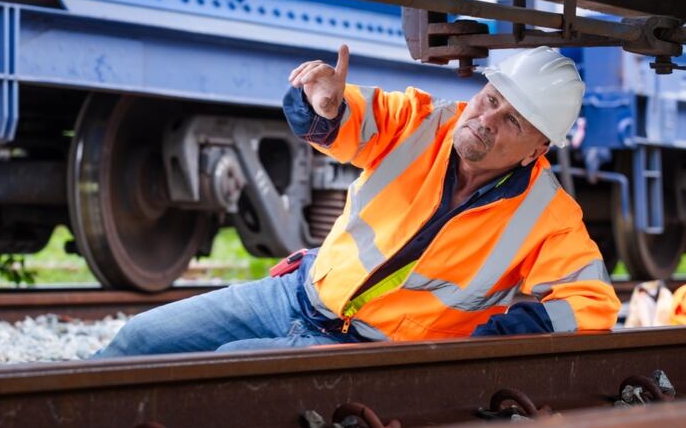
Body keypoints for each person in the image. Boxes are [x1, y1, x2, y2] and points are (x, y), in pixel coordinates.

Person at [95, 45, 620, 357]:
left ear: (540, 147)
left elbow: (592, 305)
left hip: (361, 348)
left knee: (216, 370)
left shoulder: (549, 216)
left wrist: (491, 338)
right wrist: (321, 105)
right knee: (137, 344)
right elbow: (353, 117)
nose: (484, 120)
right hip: (296, 296)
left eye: (512, 120)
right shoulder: (424, 122)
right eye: (490, 99)